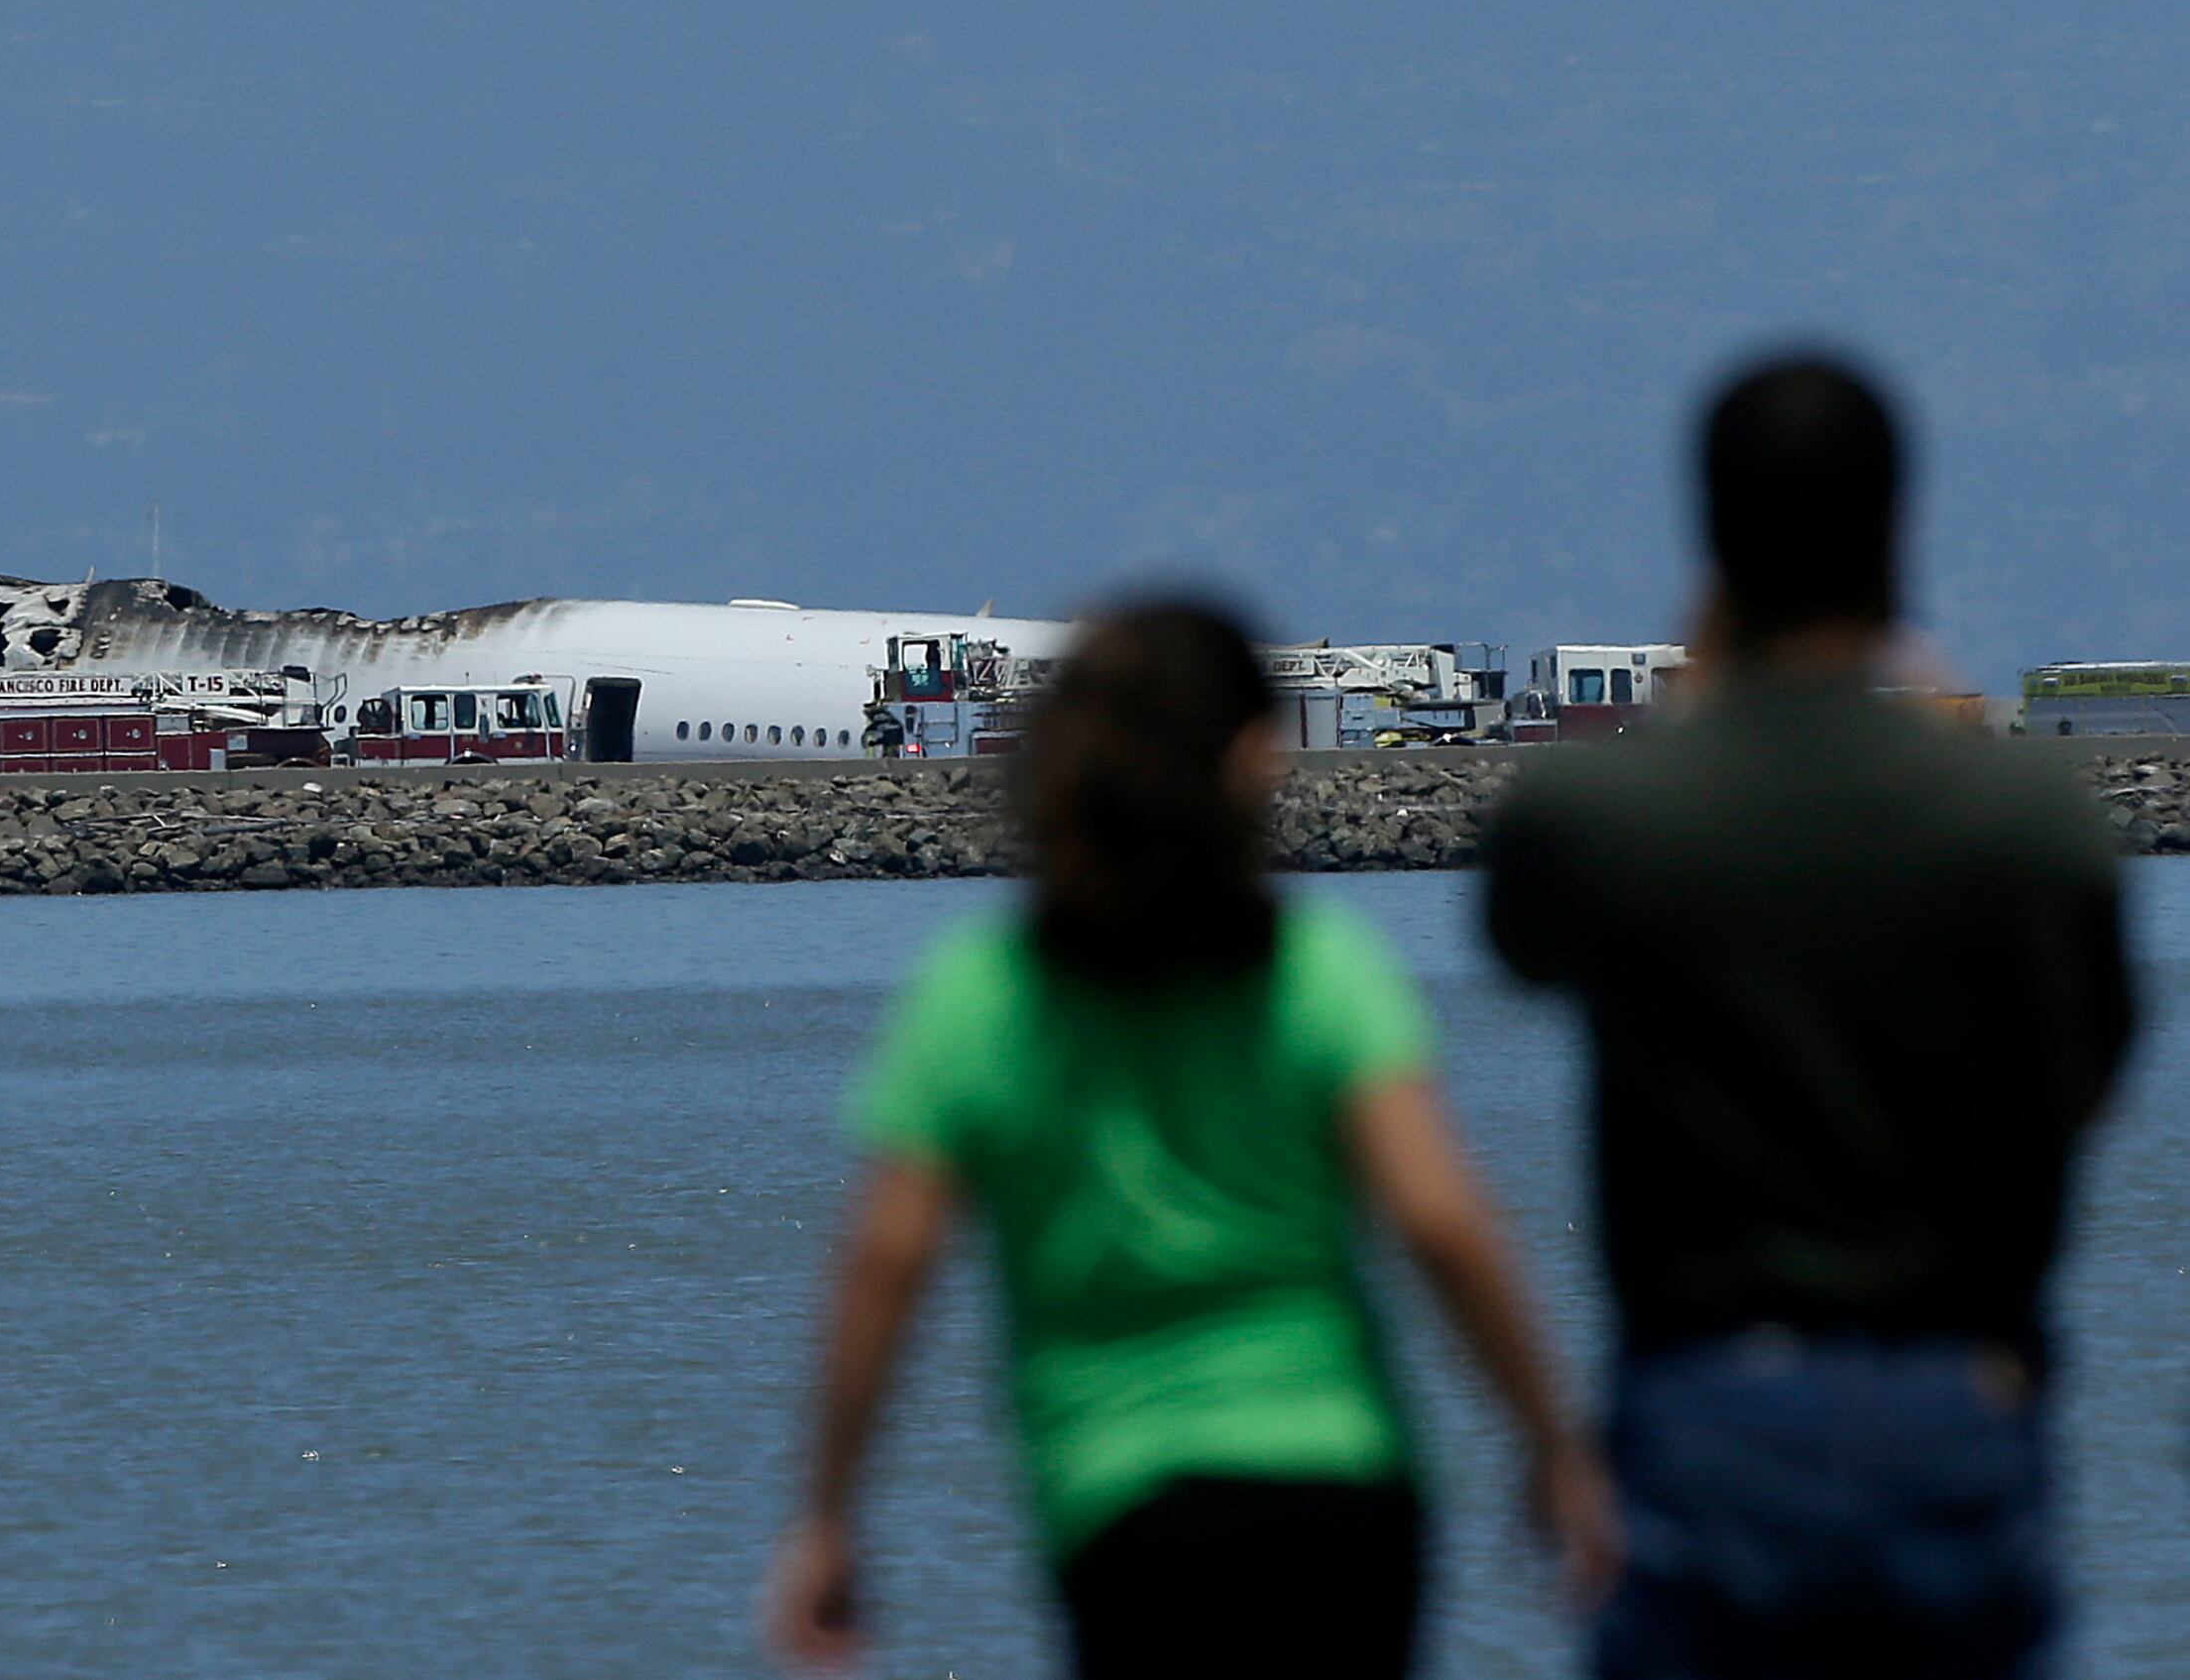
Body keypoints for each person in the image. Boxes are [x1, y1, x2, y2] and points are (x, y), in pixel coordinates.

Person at [768, 601, 1616, 1677]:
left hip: (1127, 1504)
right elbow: (1438, 1221)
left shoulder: (979, 1000)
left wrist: (830, 1515)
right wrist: (1551, 1444)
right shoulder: (1322, 972)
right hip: (1342, 1492)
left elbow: (889, 1261)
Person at [1485, 355, 2135, 1678]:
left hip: (1709, 1410)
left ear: (1712, 544)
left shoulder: (1606, 821)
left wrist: (1687, 698)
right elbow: (2090, 1068)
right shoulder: (2030, 826)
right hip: (1955, 1399)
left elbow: (1522, 934)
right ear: (1897, 533)